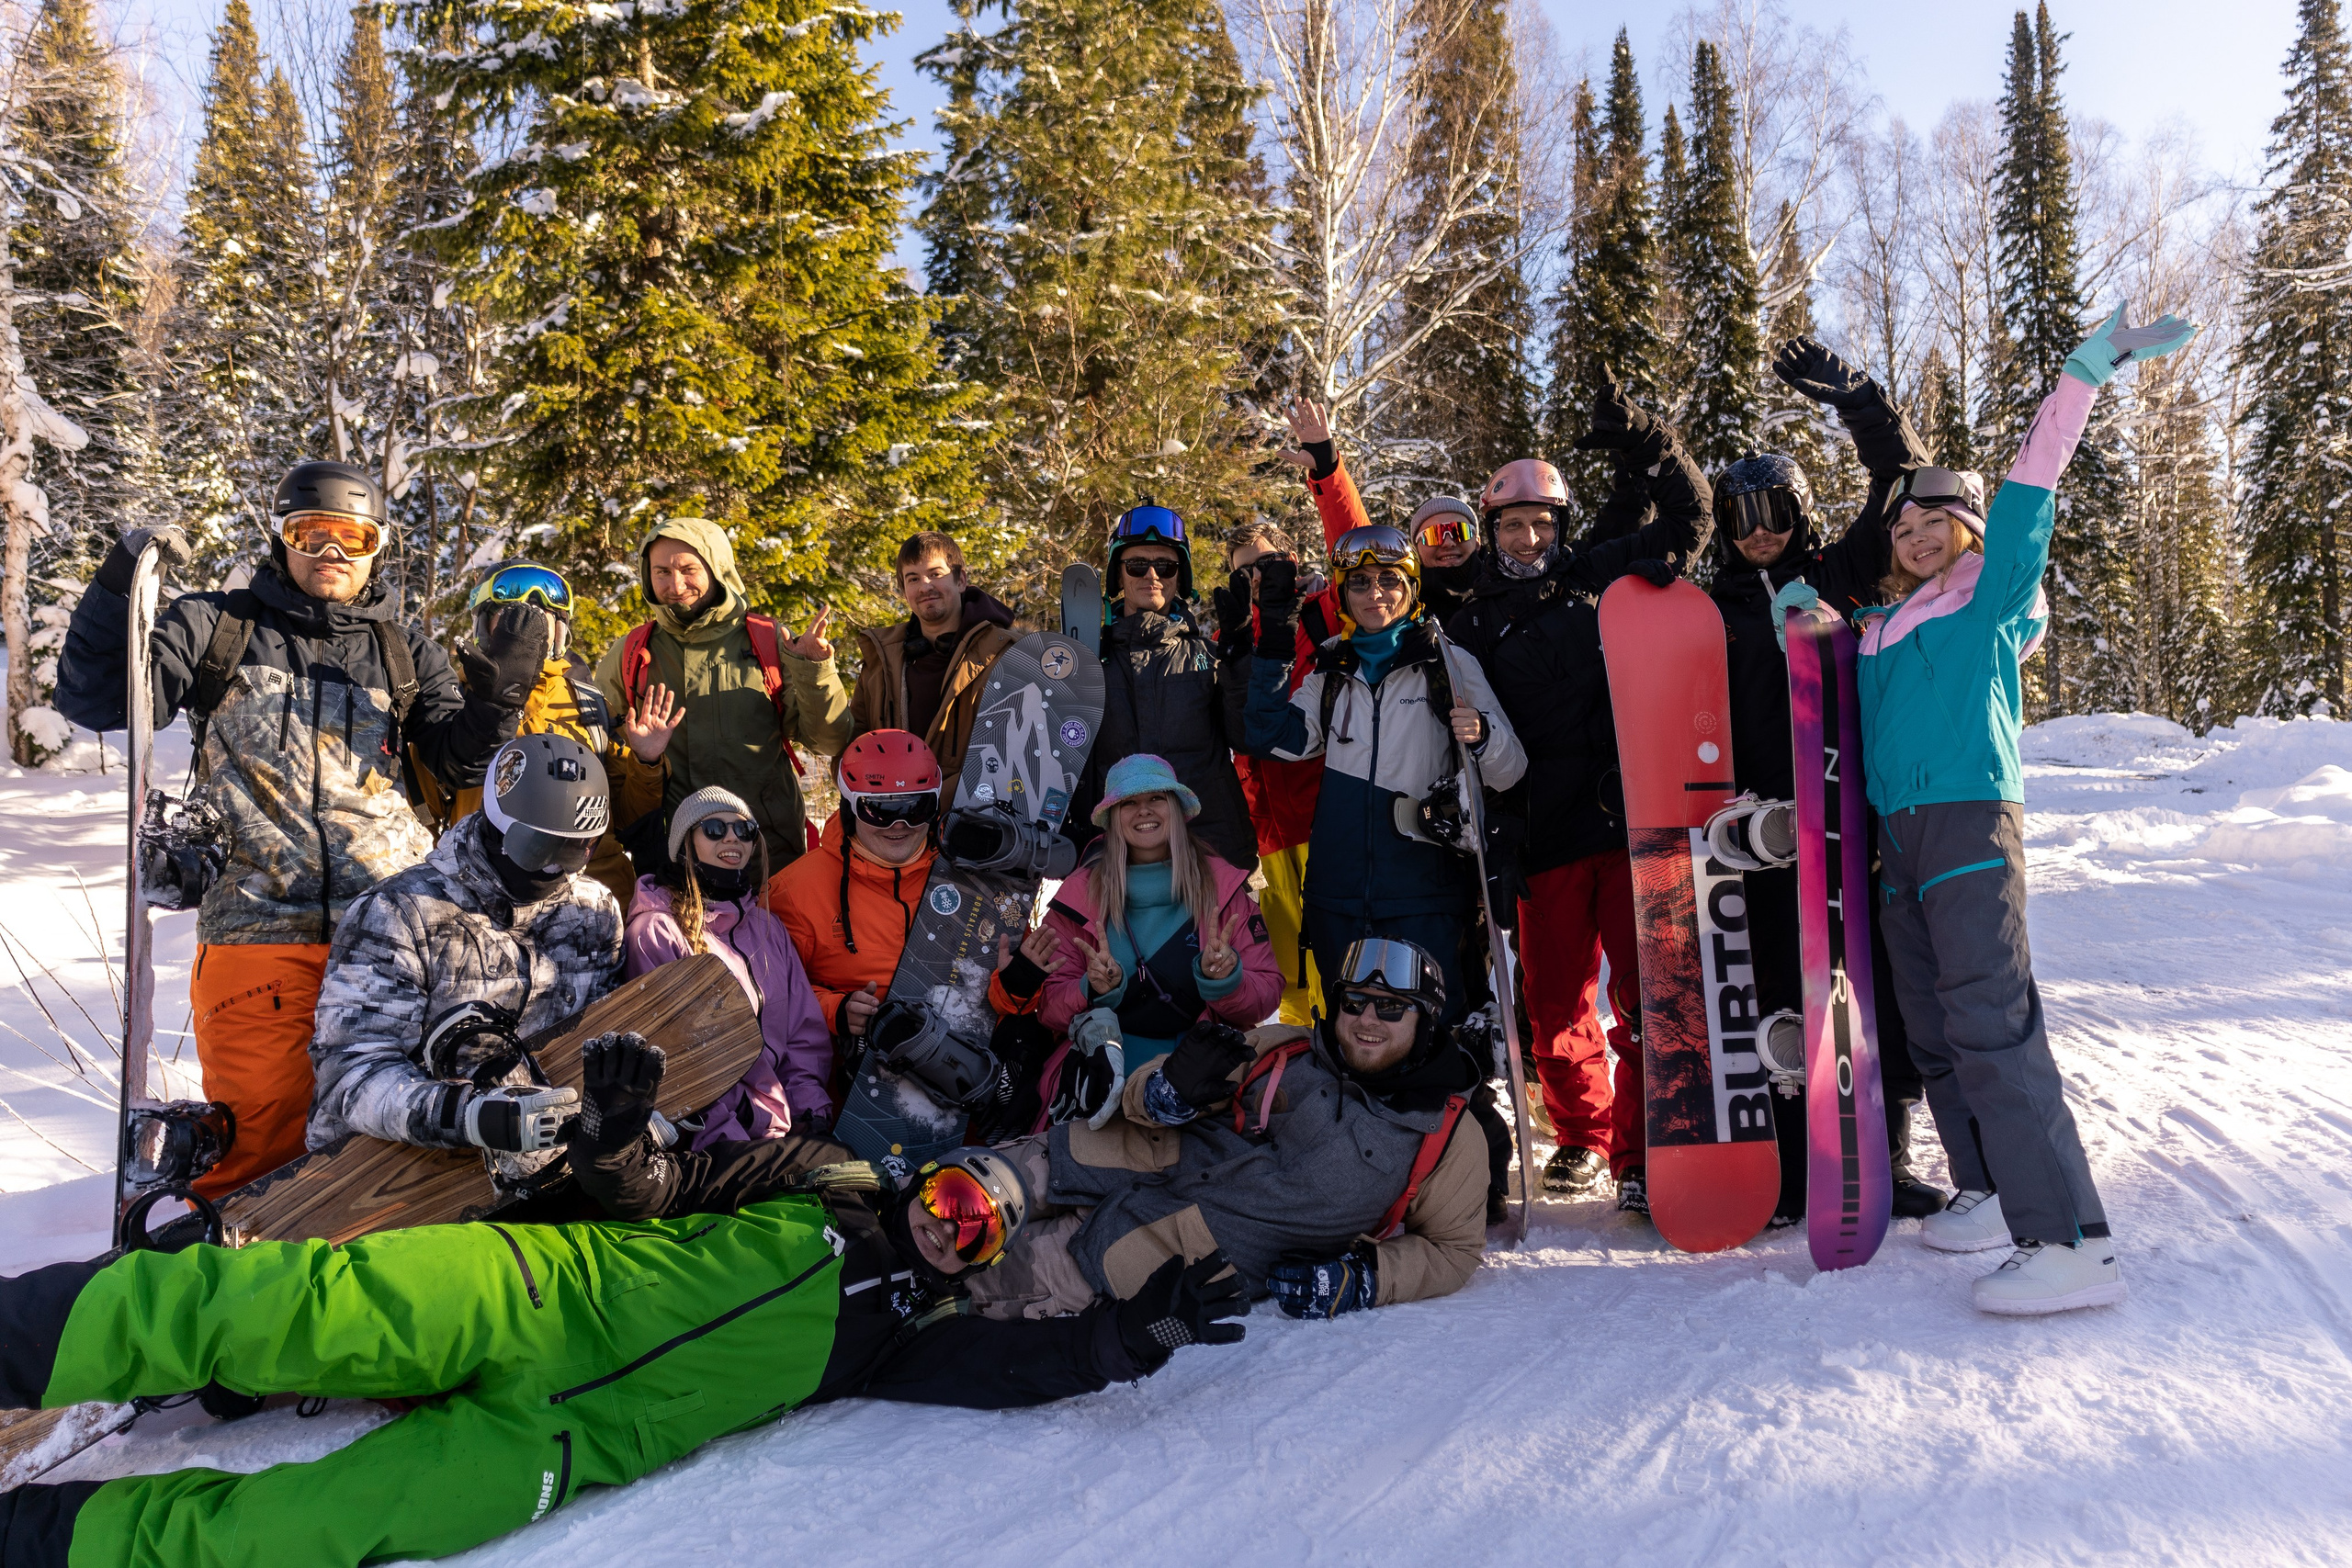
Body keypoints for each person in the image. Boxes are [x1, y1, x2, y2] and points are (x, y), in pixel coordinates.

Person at [0, 1040, 1245, 1568]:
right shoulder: (822, 1172)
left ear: (979, 1258)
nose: (950, 1221)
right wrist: (606, 1132)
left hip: (554, 1446)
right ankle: (17, 1342)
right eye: (958, 1193)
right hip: (532, 1293)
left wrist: (1122, 1343)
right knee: (275, 1302)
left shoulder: (904, 1341)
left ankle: (43, 1542)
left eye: (977, 1230)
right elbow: (657, 1186)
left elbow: (1014, 1372)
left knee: (319, 1525)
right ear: (936, 1174)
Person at [53, 461, 536, 1195]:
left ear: (377, 546)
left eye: (353, 537)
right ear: (280, 539)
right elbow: (94, 696)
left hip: (390, 936)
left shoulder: (402, 652)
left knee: (394, 1152)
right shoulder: (217, 627)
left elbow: (459, 760)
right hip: (257, 937)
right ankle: (241, 1295)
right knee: (259, 1151)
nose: (331, 554)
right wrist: (119, 584)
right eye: (310, 534)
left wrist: (498, 700)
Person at [1860, 306, 2197, 1314]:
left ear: (1968, 531)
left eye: (1937, 523)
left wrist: (2080, 379)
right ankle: (1986, 1185)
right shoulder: (1882, 624)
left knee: (1991, 1024)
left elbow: (2030, 492)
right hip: (1895, 841)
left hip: (1967, 822)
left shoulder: (1990, 595)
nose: (1918, 538)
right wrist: (1809, 626)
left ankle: (2071, 1239)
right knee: (1932, 1024)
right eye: (1904, 528)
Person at [1708, 338, 1943, 1224]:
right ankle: (1787, 1163)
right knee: (1775, 980)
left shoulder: (1835, 574)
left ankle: (1882, 1151)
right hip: (1762, 825)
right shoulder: (1714, 605)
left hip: (1845, 805)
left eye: (1776, 508)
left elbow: (1904, 480)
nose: (1760, 527)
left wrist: (1860, 401)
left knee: (1864, 978)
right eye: (1743, 514)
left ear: (1800, 511)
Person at [960, 935, 1487, 1320]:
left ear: (1426, 1020)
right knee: (943, 1198)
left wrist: (1364, 1280)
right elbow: (1145, 1093)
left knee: (957, 1278)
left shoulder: (1445, 1133)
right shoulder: (1287, 1046)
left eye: (1392, 1008)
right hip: (1095, 1161)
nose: (1368, 1020)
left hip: (1150, 1252)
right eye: (1355, 1003)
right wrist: (1165, 1092)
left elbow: (1453, 1250)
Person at [1476, 375, 1712, 1209]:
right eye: (1513, 522)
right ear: (1491, 528)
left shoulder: (1594, 576)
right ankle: (1581, 1131)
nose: (1530, 535)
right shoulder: (1474, 608)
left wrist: (1650, 438)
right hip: (1541, 834)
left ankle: (1640, 1151)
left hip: (1624, 821)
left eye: (1543, 521)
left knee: (1646, 997)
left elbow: (1692, 520)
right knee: (1551, 1007)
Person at [1243, 520, 1525, 1022]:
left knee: (1430, 1030)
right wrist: (1273, 647)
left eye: (1390, 580)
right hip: (1338, 895)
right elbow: (1271, 738)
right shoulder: (1330, 670)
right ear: (1344, 595)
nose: (1376, 593)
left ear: (1411, 587)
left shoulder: (1448, 663)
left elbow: (1510, 770)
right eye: (1360, 583)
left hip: (1423, 893)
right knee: (1349, 1036)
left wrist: (1481, 734)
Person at [307, 733, 622, 1179]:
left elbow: (596, 1038)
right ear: (496, 825)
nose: (556, 869)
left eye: (575, 850)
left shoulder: (592, 913)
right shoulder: (398, 914)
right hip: (394, 1172)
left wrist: (624, 1113)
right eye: (538, 849)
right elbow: (350, 1075)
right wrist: (469, 1116)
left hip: (545, 1167)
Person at [763, 732, 1058, 1137]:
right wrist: (838, 1009)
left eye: (915, 808)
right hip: (861, 1088)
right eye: (880, 811)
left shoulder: (975, 880)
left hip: (963, 1082)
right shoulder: (796, 892)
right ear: (850, 809)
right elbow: (770, 998)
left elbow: (996, 1002)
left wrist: (1018, 986)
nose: (899, 825)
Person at [593, 517, 850, 874]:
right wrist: (643, 760)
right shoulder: (632, 653)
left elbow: (829, 740)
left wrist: (814, 669)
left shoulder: (768, 641)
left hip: (767, 856)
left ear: (717, 567)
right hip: (673, 859)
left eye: (688, 569)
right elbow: (602, 759)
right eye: (662, 571)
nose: (676, 584)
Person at [407, 561, 670, 908]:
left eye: (543, 616)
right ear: (486, 625)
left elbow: (622, 817)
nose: (529, 627)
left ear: (560, 631)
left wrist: (646, 762)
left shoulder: (591, 706)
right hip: (488, 901)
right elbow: (420, 820)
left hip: (593, 901)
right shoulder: (452, 704)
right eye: (513, 616)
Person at [1038, 755, 1280, 1077]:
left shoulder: (1226, 890)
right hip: (1102, 1074)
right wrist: (1090, 988)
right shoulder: (1075, 898)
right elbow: (1048, 1006)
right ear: (1112, 817)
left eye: (1156, 798)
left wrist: (1227, 981)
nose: (1144, 810)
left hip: (1206, 1071)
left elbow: (1267, 993)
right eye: (1129, 802)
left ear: (1178, 809)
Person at [624, 786, 831, 1145]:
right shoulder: (657, 932)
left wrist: (809, 1114)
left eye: (745, 829)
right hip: (718, 1140)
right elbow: (677, 1063)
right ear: (684, 844)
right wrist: (739, 1135)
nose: (733, 836)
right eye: (715, 829)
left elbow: (803, 1034)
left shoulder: (768, 928)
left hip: (785, 1130)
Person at [1080, 502, 1256, 873]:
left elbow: (1246, 737)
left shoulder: (1208, 658)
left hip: (1208, 850)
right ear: (1119, 575)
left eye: (1166, 565)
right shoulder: (1089, 664)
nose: (1152, 575)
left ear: (1180, 576)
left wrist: (1240, 665)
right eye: (1137, 565)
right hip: (1117, 856)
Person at [1214, 519, 1327, 1026]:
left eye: (1265, 564)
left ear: (1290, 559)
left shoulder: (1322, 617)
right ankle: (1307, 1076)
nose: (1257, 579)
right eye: (1244, 574)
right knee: (1291, 975)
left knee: (1338, 962)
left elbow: (1367, 543)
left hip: (1324, 819)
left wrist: (1326, 469)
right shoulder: (1226, 640)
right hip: (1268, 835)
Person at [846, 530, 1020, 779]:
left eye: (935, 574)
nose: (925, 586)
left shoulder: (1004, 654)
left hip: (974, 813)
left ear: (961, 581)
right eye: (913, 579)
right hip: (897, 814)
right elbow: (855, 741)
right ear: (904, 591)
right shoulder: (882, 659)